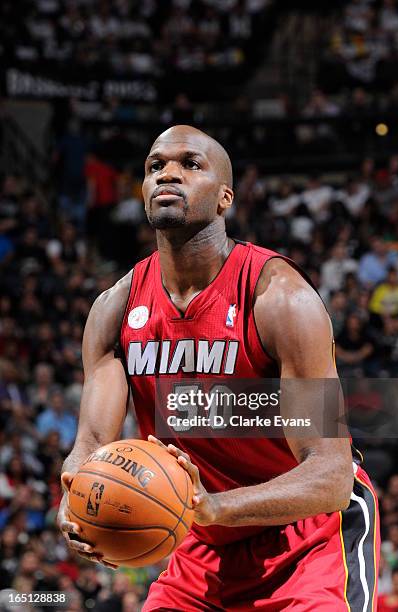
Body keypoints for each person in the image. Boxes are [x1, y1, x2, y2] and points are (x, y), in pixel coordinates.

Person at [57, 125, 380, 610]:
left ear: (225, 197)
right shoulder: (114, 309)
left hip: (308, 539)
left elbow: (331, 477)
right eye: (155, 166)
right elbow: (92, 443)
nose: (168, 174)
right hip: (203, 545)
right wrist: (78, 494)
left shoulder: (281, 299)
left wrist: (214, 508)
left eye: (190, 164)